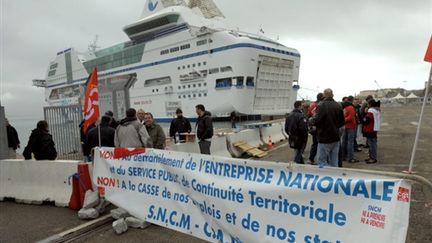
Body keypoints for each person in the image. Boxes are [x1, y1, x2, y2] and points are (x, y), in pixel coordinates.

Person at [311, 88, 345, 167]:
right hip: (336, 138)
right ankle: (334, 176)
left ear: (324, 95)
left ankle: (324, 177)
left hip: (324, 138)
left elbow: (316, 120)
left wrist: (311, 120)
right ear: (332, 95)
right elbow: (342, 123)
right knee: (334, 161)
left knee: (322, 161)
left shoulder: (321, 105)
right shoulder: (338, 105)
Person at [306, 93, 324, 164]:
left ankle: (311, 159)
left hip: (313, 127)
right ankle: (320, 160)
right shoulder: (321, 105)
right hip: (320, 127)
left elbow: (308, 115)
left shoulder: (312, 105)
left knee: (315, 143)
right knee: (321, 144)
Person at [362, 100, 381, 164]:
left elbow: (366, 120)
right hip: (374, 129)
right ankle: (372, 157)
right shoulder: (377, 110)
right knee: (373, 144)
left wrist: (364, 114)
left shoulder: (371, 111)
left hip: (370, 130)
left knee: (371, 145)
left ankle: (372, 158)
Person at [341, 96, 359, 163]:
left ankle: (343, 156)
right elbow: (351, 117)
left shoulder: (344, 108)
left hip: (345, 126)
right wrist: (344, 120)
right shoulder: (351, 107)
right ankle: (350, 158)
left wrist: (343, 120)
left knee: (344, 141)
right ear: (351, 101)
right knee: (350, 143)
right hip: (351, 126)